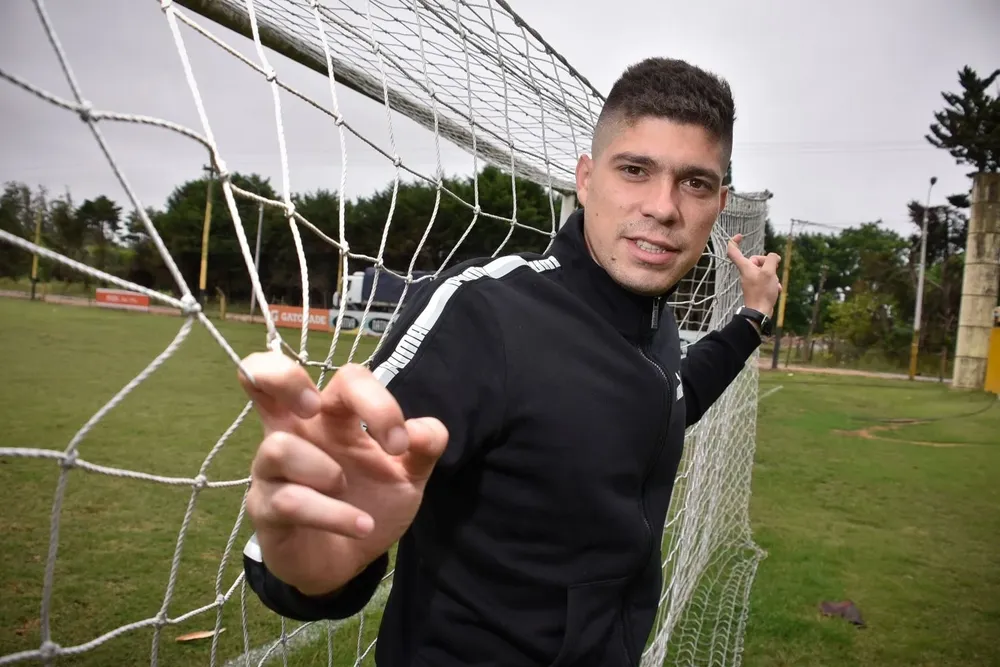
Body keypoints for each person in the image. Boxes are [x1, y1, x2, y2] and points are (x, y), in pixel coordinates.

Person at [238, 57, 781, 666]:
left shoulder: (653, 325)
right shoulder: (484, 314)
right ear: (585, 179)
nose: (663, 206)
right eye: (635, 170)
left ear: (719, 203)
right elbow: (337, 500)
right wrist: (312, 568)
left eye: (695, 183)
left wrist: (750, 319)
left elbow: (668, 399)